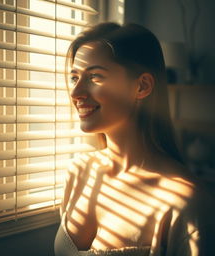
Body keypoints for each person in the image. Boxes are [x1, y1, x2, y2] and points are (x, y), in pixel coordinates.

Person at [54, 22, 215, 256]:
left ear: (142, 86)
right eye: (74, 77)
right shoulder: (78, 172)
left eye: (95, 76)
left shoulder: (186, 203)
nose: (76, 93)